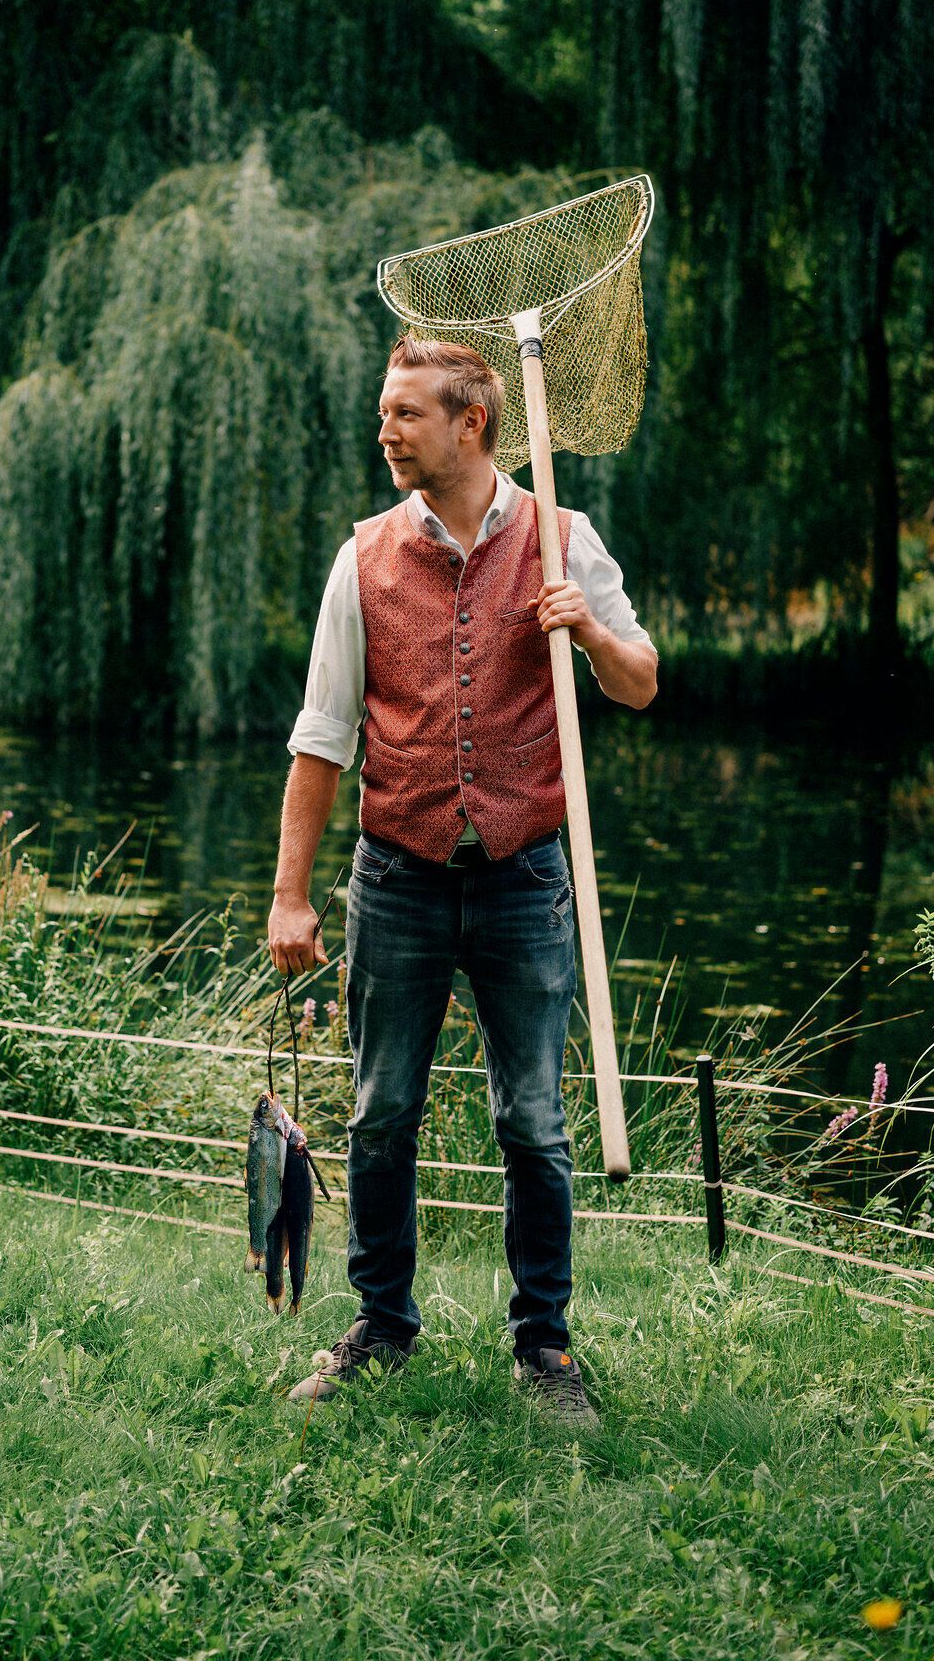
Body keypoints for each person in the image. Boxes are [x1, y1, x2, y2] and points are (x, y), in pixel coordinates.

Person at [267, 332, 657, 1426]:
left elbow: (640, 682)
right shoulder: (362, 557)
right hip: (393, 876)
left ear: (470, 423)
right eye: (384, 413)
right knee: (380, 1113)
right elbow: (320, 734)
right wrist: (290, 893)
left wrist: (585, 636)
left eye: (404, 415)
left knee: (531, 1122)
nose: (383, 431)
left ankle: (543, 1348)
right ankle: (380, 1328)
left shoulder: (561, 538)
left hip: (525, 878)